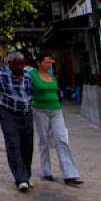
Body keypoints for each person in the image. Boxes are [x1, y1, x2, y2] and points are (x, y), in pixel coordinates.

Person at [30, 54, 83, 186]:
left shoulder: (52, 77)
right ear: (39, 63)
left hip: (56, 109)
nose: (49, 65)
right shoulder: (32, 75)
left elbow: (56, 92)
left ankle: (70, 174)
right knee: (44, 140)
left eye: (50, 63)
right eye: (46, 62)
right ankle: (45, 171)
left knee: (61, 139)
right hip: (40, 109)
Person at [0, 51, 34, 193]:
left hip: (26, 113)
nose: (20, 67)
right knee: (13, 143)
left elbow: (33, 92)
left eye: (22, 64)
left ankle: (26, 174)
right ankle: (20, 179)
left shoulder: (29, 75)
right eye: (16, 64)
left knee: (27, 144)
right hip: (8, 113)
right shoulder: (0, 75)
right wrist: (2, 103)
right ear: (10, 64)